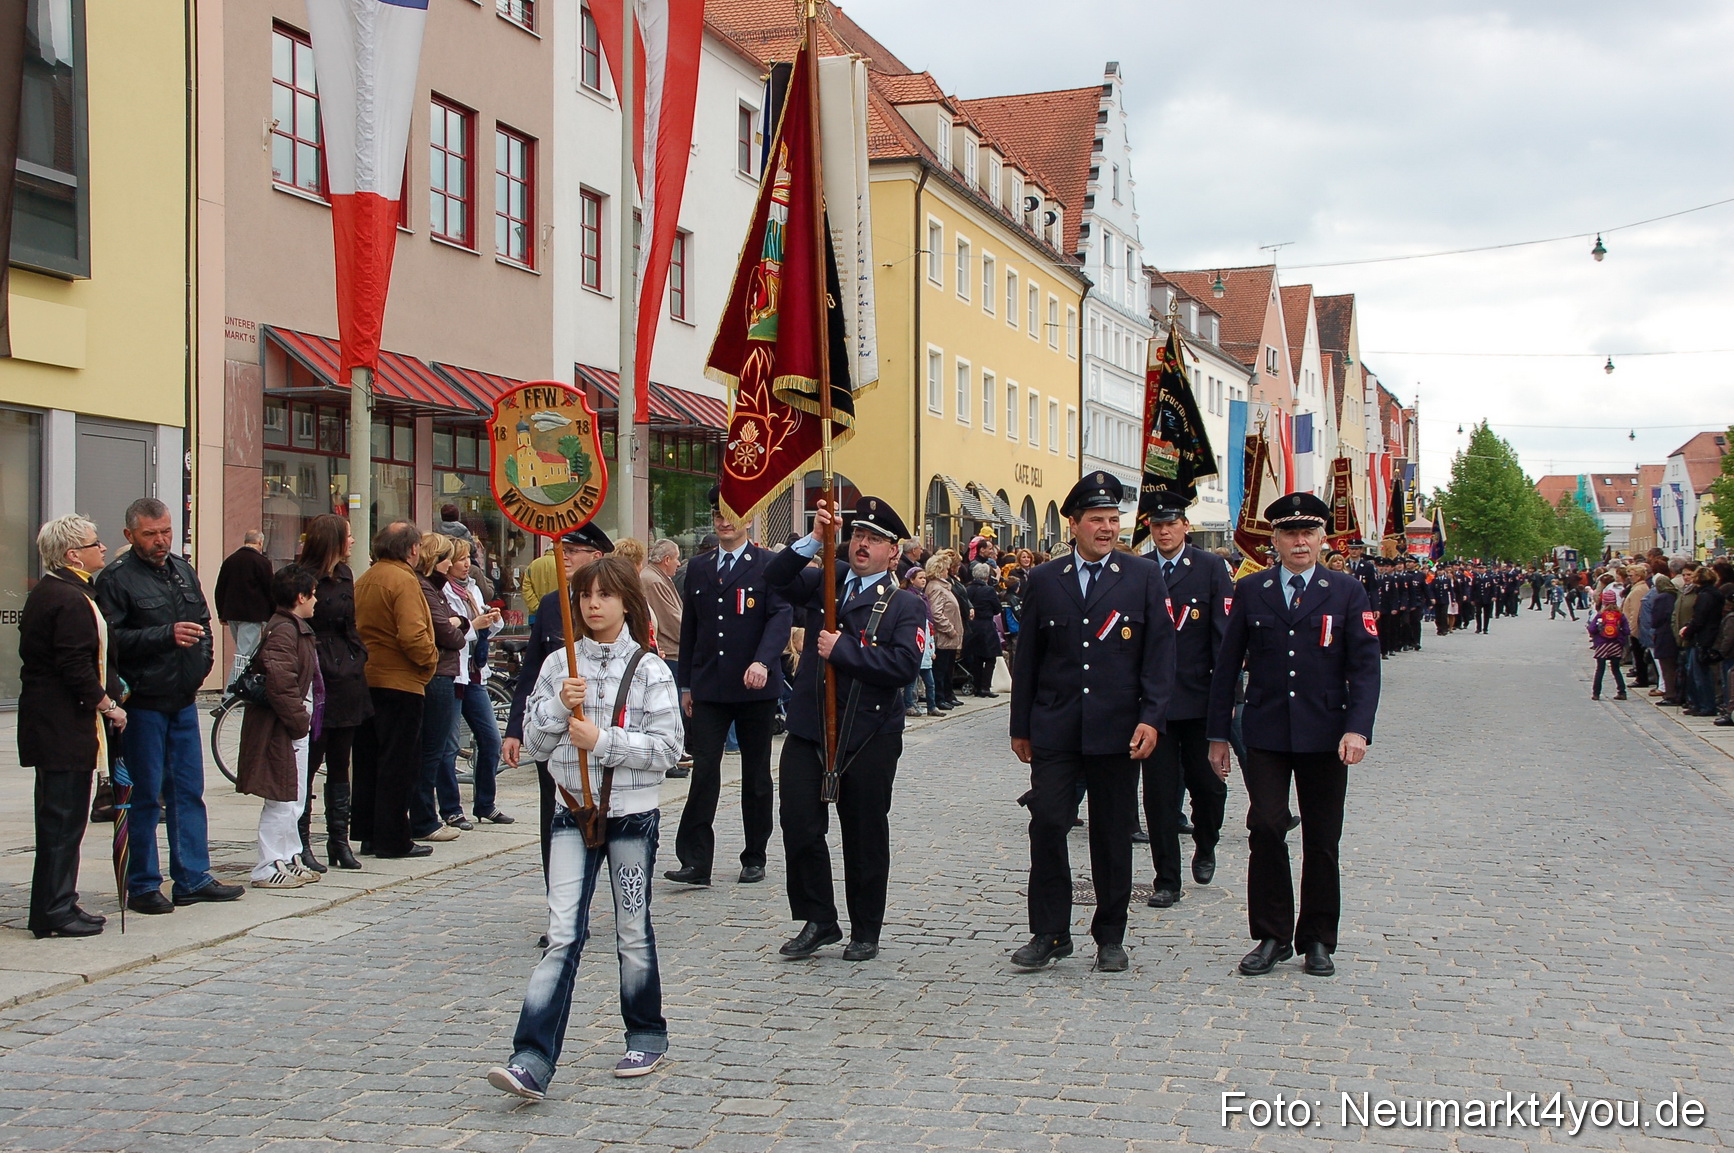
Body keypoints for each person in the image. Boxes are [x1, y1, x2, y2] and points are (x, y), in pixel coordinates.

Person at [487, 556, 682, 1098]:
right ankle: (531, 1056)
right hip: (571, 812)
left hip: (630, 817)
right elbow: (536, 745)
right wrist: (555, 707)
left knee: (631, 929)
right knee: (562, 934)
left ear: (625, 602)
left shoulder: (649, 669)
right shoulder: (556, 665)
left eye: (604, 596)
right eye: (584, 597)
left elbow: (668, 749)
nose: (593, 606)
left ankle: (646, 1033)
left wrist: (604, 743)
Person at [1008, 472, 1176, 974]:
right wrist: (1021, 726)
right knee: (1049, 823)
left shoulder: (1142, 576)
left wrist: (1152, 718)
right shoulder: (1044, 580)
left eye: (1113, 520)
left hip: (1117, 729)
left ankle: (1110, 934)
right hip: (1056, 727)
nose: (1107, 528)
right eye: (1097, 520)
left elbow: (1159, 654)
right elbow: (1029, 659)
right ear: (1074, 525)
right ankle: (1051, 932)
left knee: (1110, 833)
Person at [1208, 491, 1381, 978]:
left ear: (1322, 538)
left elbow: (1365, 669)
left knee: (1323, 838)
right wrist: (1218, 734)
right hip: (1264, 729)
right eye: (1289, 533)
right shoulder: (1252, 589)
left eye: (1308, 532)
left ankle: (1318, 939)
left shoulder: (1346, 591)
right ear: (1275, 541)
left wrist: (1358, 729)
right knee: (1265, 826)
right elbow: (1227, 668)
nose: (1299, 541)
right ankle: (1271, 935)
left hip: (1326, 732)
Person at [766, 496, 925, 962]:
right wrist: (815, 538)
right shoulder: (827, 583)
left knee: (864, 833)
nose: (863, 545)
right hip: (811, 726)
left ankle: (865, 928)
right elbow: (775, 579)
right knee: (798, 822)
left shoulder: (904, 605)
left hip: (868, 733)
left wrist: (845, 652)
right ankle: (819, 918)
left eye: (875, 539)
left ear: (893, 552)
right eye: (858, 535)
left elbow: (903, 667)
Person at [95, 497, 243, 914]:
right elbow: (109, 642)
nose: (160, 541)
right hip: (141, 702)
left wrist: (202, 666)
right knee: (144, 795)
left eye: (166, 532)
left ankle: (193, 876)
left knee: (188, 790)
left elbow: (203, 623)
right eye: (150, 534)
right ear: (130, 535)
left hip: (182, 696)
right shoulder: (117, 579)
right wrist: (163, 635)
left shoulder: (181, 569)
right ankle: (142, 883)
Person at [667, 487, 792, 888]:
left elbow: (780, 617)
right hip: (709, 686)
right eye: (718, 514)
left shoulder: (768, 565)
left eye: (732, 514)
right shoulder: (700, 568)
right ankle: (695, 860)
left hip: (755, 686)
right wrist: (686, 683)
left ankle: (754, 854)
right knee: (704, 771)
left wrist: (763, 660)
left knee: (756, 774)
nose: (724, 521)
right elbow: (692, 630)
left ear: (751, 518)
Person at [19, 515, 124, 937]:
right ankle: (53, 909)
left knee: (64, 822)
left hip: (58, 724)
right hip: (61, 725)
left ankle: (60, 901)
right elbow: (75, 664)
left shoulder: (67, 591)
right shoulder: (65, 597)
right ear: (71, 554)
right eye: (94, 543)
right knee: (61, 822)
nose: (103, 548)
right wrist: (107, 705)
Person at [504, 523, 613, 887]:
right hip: (556, 728)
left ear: (596, 556)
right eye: (561, 548)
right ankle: (561, 900)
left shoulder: (619, 603)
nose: (563, 555)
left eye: (573, 550)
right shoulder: (553, 604)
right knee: (556, 813)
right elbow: (532, 671)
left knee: (610, 817)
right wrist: (516, 729)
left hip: (604, 732)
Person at [1139, 490, 1232, 909]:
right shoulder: (1139, 570)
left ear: (1185, 527)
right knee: (1158, 796)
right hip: (1154, 704)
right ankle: (1166, 879)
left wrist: (1227, 700)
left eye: (1171, 525)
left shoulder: (1211, 568)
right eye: (1157, 526)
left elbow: (1223, 638)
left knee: (1209, 788)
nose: (1164, 532)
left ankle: (1207, 841)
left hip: (1199, 699)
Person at [350, 521, 438, 859]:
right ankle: (393, 837)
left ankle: (369, 831)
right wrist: (428, 662)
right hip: (400, 680)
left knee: (369, 760)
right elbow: (413, 634)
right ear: (413, 549)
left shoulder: (366, 578)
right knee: (399, 763)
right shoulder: (403, 579)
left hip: (368, 678)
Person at [293, 514, 371, 871]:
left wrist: (358, 654)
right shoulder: (300, 576)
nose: (353, 541)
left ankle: (338, 840)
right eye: (348, 536)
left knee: (342, 760)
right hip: (317, 669)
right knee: (310, 760)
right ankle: (301, 839)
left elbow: (351, 622)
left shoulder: (346, 575)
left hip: (347, 672)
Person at [239, 566, 324, 889]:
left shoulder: (293, 628)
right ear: (300, 597)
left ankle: (289, 856)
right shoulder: (284, 630)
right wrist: (299, 720)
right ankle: (268, 863)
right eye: (312, 594)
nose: (316, 601)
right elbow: (280, 680)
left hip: (292, 725)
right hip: (282, 727)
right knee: (281, 797)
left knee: (294, 795)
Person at [445, 537, 509, 826]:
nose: (466, 564)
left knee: (491, 739)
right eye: (460, 559)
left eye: (468, 558)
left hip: (475, 674)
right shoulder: (441, 591)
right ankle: (450, 808)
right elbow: (451, 631)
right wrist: (475, 625)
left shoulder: (471, 588)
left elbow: (484, 630)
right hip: (454, 674)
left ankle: (485, 803)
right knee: (448, 745)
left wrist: (491, 620)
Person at [412, 533, 470, 841]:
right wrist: (458, 626)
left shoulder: (437, 588)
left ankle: (426, 814)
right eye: (448, 557)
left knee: (436, 747)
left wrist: (458, 623)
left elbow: (457, 623)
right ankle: (424, 818)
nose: (452, 563)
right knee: (432, 749)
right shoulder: (425, 587)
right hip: (437, 673)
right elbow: (447, 633)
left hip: (446, 671)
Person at [213, 529, 274, 689]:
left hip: (232, 614)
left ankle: (246, 687)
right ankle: (232, 691)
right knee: (244, 654)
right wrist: (273, 613)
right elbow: (270, 590)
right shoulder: (262, 562)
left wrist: (221, 613)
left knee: (246, 652)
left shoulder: (230, 560)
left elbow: (220, 588)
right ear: (260, 542)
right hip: (253, 615)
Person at [923, 554, 963, 710]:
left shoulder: (943, 586)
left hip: (949, 638)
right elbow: (936, 613)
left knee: (947, 668)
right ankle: (938, 698)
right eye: (946, 568)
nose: (948, 571)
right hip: (943, 637)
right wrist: (950, 629)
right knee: (940, 669)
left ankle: (947, 694)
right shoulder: (935, 587)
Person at [902, 567, 941, 717]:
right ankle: (910, 704)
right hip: (916, 643)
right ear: (912, 580)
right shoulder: (909, 596)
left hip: (926, 642)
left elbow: (929, 626)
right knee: (911, 682)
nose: (924, 581)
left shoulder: (923, 597)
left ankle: (932, 706)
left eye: (925, 578)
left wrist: (931, 649)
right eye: (920, 578)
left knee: (930, 682)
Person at [962, 562, 1003, 698]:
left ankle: (977, 685)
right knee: (990, 658)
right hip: (986, 626)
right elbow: (997, 608)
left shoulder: (967, 589)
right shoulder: (989, 590)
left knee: (977, 658)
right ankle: (985, 687)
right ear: (987, 576)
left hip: (971, 626)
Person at [1587, 588, 1631, 701]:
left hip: (1602, 645)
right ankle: (1622, 692)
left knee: (1600, 670)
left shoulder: (1601, 615)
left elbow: (1592, 629)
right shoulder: (1620, 616)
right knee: (1615, 669)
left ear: (1604, 602)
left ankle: (1596, 693)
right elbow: (1627, 631)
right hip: (1616, 645)